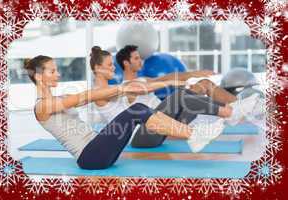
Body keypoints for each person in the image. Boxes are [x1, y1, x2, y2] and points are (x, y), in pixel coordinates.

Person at [24, 54, 228, 170]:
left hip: (100, 150)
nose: (58, 73)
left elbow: (91, 95)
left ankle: (192, 134)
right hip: (89, 157)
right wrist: (122, 89)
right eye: (52, 71)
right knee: (137, 110)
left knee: (141, 111)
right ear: (40, 77)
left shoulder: (57, 100)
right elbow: (86, 96)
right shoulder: (42, 106)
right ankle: (194, 136)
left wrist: (128, 88)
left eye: (56, 69)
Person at [91, 46, 260, 150]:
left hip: (156, 128)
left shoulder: (117, 87)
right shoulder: (100, 92)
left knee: (189, 93)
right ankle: (231, 113)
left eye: (113, 64)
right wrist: (170, 81)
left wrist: (189, 75)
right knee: (180, 96)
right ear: (98, 68)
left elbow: (143, 86)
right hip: (138, 137)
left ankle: (236, 110)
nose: (114, 68)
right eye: (109, 65)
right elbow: (134, 89)